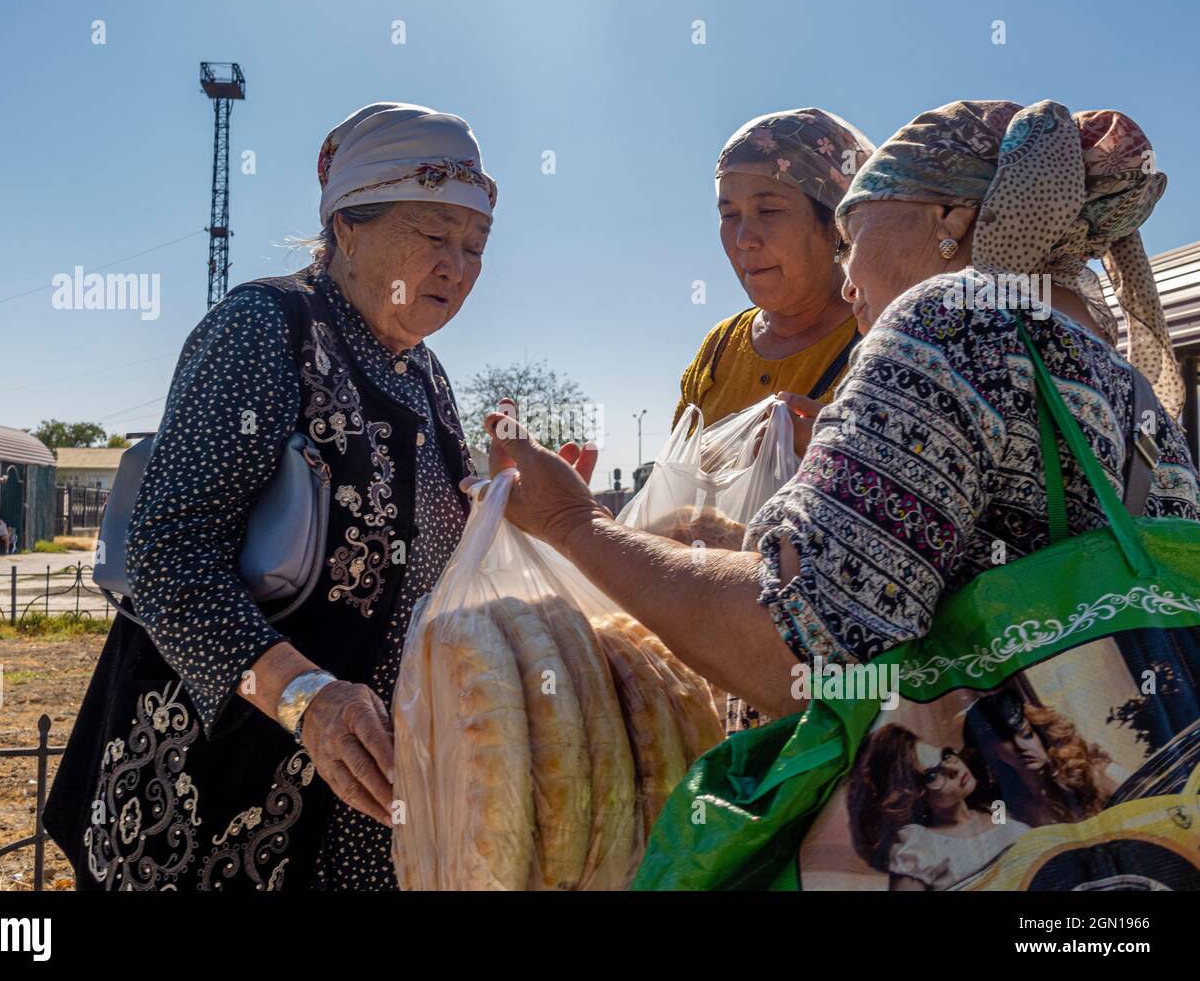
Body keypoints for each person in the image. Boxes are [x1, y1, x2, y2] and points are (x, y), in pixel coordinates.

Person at [484, 100, 1199, 756]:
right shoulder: (1117, 375)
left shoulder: (947, 320)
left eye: (854, 231)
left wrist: (572, 520)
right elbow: (941, 567)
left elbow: (797, 652)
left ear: (948, 220)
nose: (848, 275)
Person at [46, 102, 509, 891]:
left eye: (475, 245)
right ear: (348, 225)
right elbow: (167, 555)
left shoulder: (427, 378)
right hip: (214, 789)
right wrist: (308, 697)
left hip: (357, 809)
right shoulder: (267, 329)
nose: (458, 267)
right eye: (435, 234)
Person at [674, 109, 874, 432]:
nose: (744, 240)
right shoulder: (719, 349)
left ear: (836, 224)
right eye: (730, 215)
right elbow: (673, 477)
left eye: (768, 210)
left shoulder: (880, 349)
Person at [845, 724, 1030, 890]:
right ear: (912, 795)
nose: (954, 769)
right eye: (933, 776)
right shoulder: (919, 846)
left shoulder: (994, 807)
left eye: (946, 756)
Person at [962, 689, 1126, 827]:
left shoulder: (1098, 774)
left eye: (1027, 735)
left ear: (1041, 732)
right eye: (1006, 742)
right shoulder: (1013, 809)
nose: (1021, 747)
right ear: (992, 752)